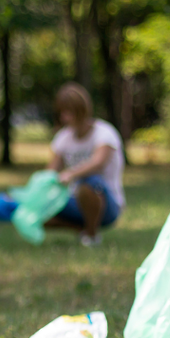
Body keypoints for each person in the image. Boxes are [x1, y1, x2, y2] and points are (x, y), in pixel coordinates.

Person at [45, 82, 126, 246]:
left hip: (107, 204)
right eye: (62, 112)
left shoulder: (104, 133)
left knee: (88, 181)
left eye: (69, 112)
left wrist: (71, 174)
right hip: (76, 201)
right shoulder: (63, 138)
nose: (64, 118)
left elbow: (98, 163)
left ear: (81, 110)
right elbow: (50, 173)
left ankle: (91, 234)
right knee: (40, 209)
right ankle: (83, 229)